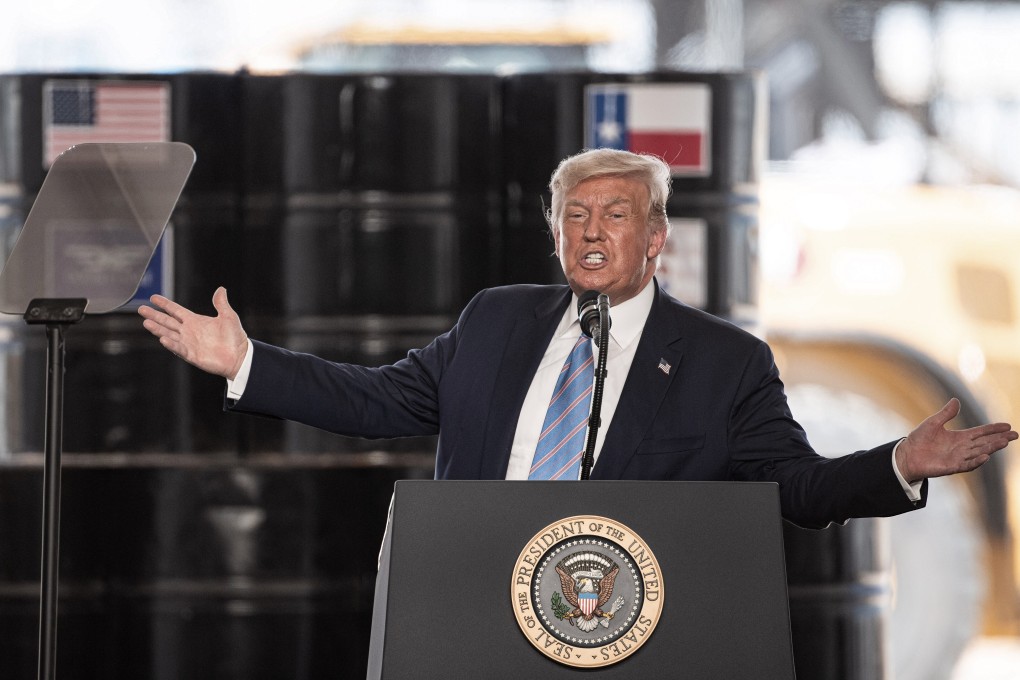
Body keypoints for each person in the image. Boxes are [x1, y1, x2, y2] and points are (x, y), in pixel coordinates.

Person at [138, 148, 1016, 529]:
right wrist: (245, 363)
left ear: (657, 236)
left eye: (617, 216)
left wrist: (897, 463)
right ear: (556, 233)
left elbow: (793, 487)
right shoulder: (494, 321)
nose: (593, 233)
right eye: (576, 216)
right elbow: (376, 401)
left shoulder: (724, 360)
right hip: (479, 606)